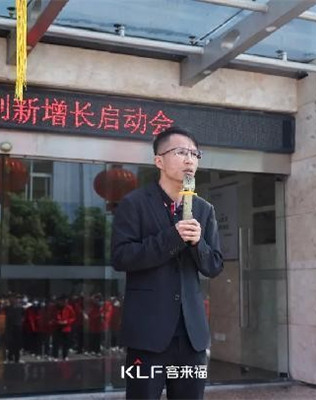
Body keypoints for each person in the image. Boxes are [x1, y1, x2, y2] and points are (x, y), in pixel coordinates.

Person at [111, 126, 223, 399]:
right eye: (181, 152)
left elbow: (214, 265)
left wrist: (198, 244)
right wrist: (172, 238)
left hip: (192, 336)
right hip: (147, 333)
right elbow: (121, 257)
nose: (189, 160)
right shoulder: (133, 203)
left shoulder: (204, 209)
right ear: (159, 161)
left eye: (194, 154)